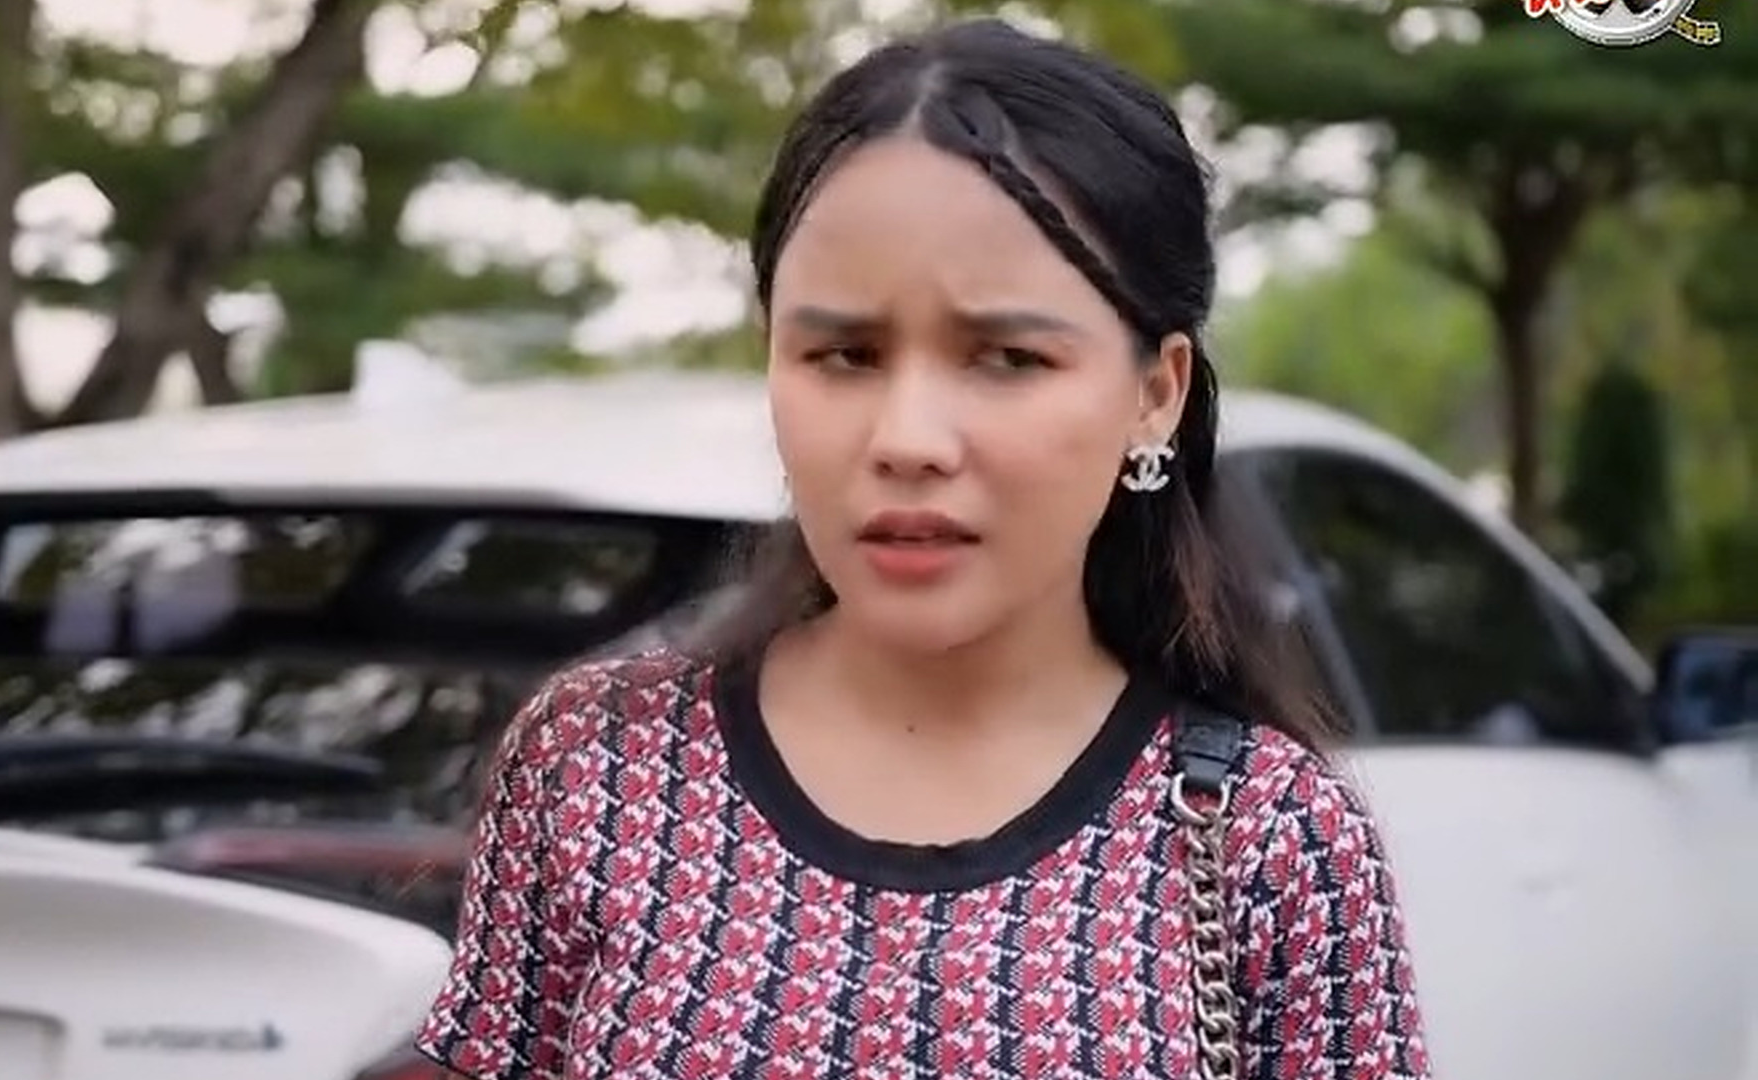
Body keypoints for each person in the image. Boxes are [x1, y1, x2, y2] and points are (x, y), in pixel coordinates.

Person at [415, 16, 1432, 1080]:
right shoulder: (602, 770)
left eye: (1007, 358)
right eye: (845, 354)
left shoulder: (1266, 837)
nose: (907, 440)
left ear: (1154, 393)